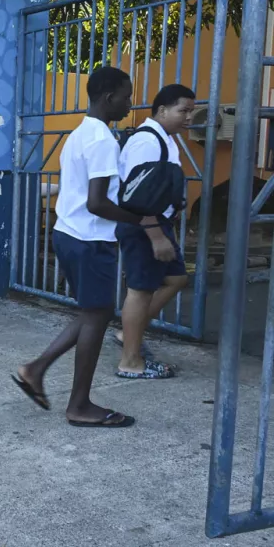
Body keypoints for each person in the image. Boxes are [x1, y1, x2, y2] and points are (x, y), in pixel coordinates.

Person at [12, 66, 159, 428]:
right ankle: (79, 405)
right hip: (89, 238)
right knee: (96, 314)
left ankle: (36, 369)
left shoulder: (80, 134)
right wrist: (140, 219)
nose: (130, 103)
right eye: (126, 96)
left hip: (70, 233)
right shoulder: (103, 140)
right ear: (109, 98)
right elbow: (97, 203)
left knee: (92, 312)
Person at [113, 84, 195, 379]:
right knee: (141, 290)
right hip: (144, 225)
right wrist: (156, 235)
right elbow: (136, 196)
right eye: (183, 110)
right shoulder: (147, 142)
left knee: (175, 278)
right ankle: (130, 362)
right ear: (162, 110)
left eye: (191, 111)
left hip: (156, 223)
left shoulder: (165, 139)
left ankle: (128, 335)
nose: (189, 118)